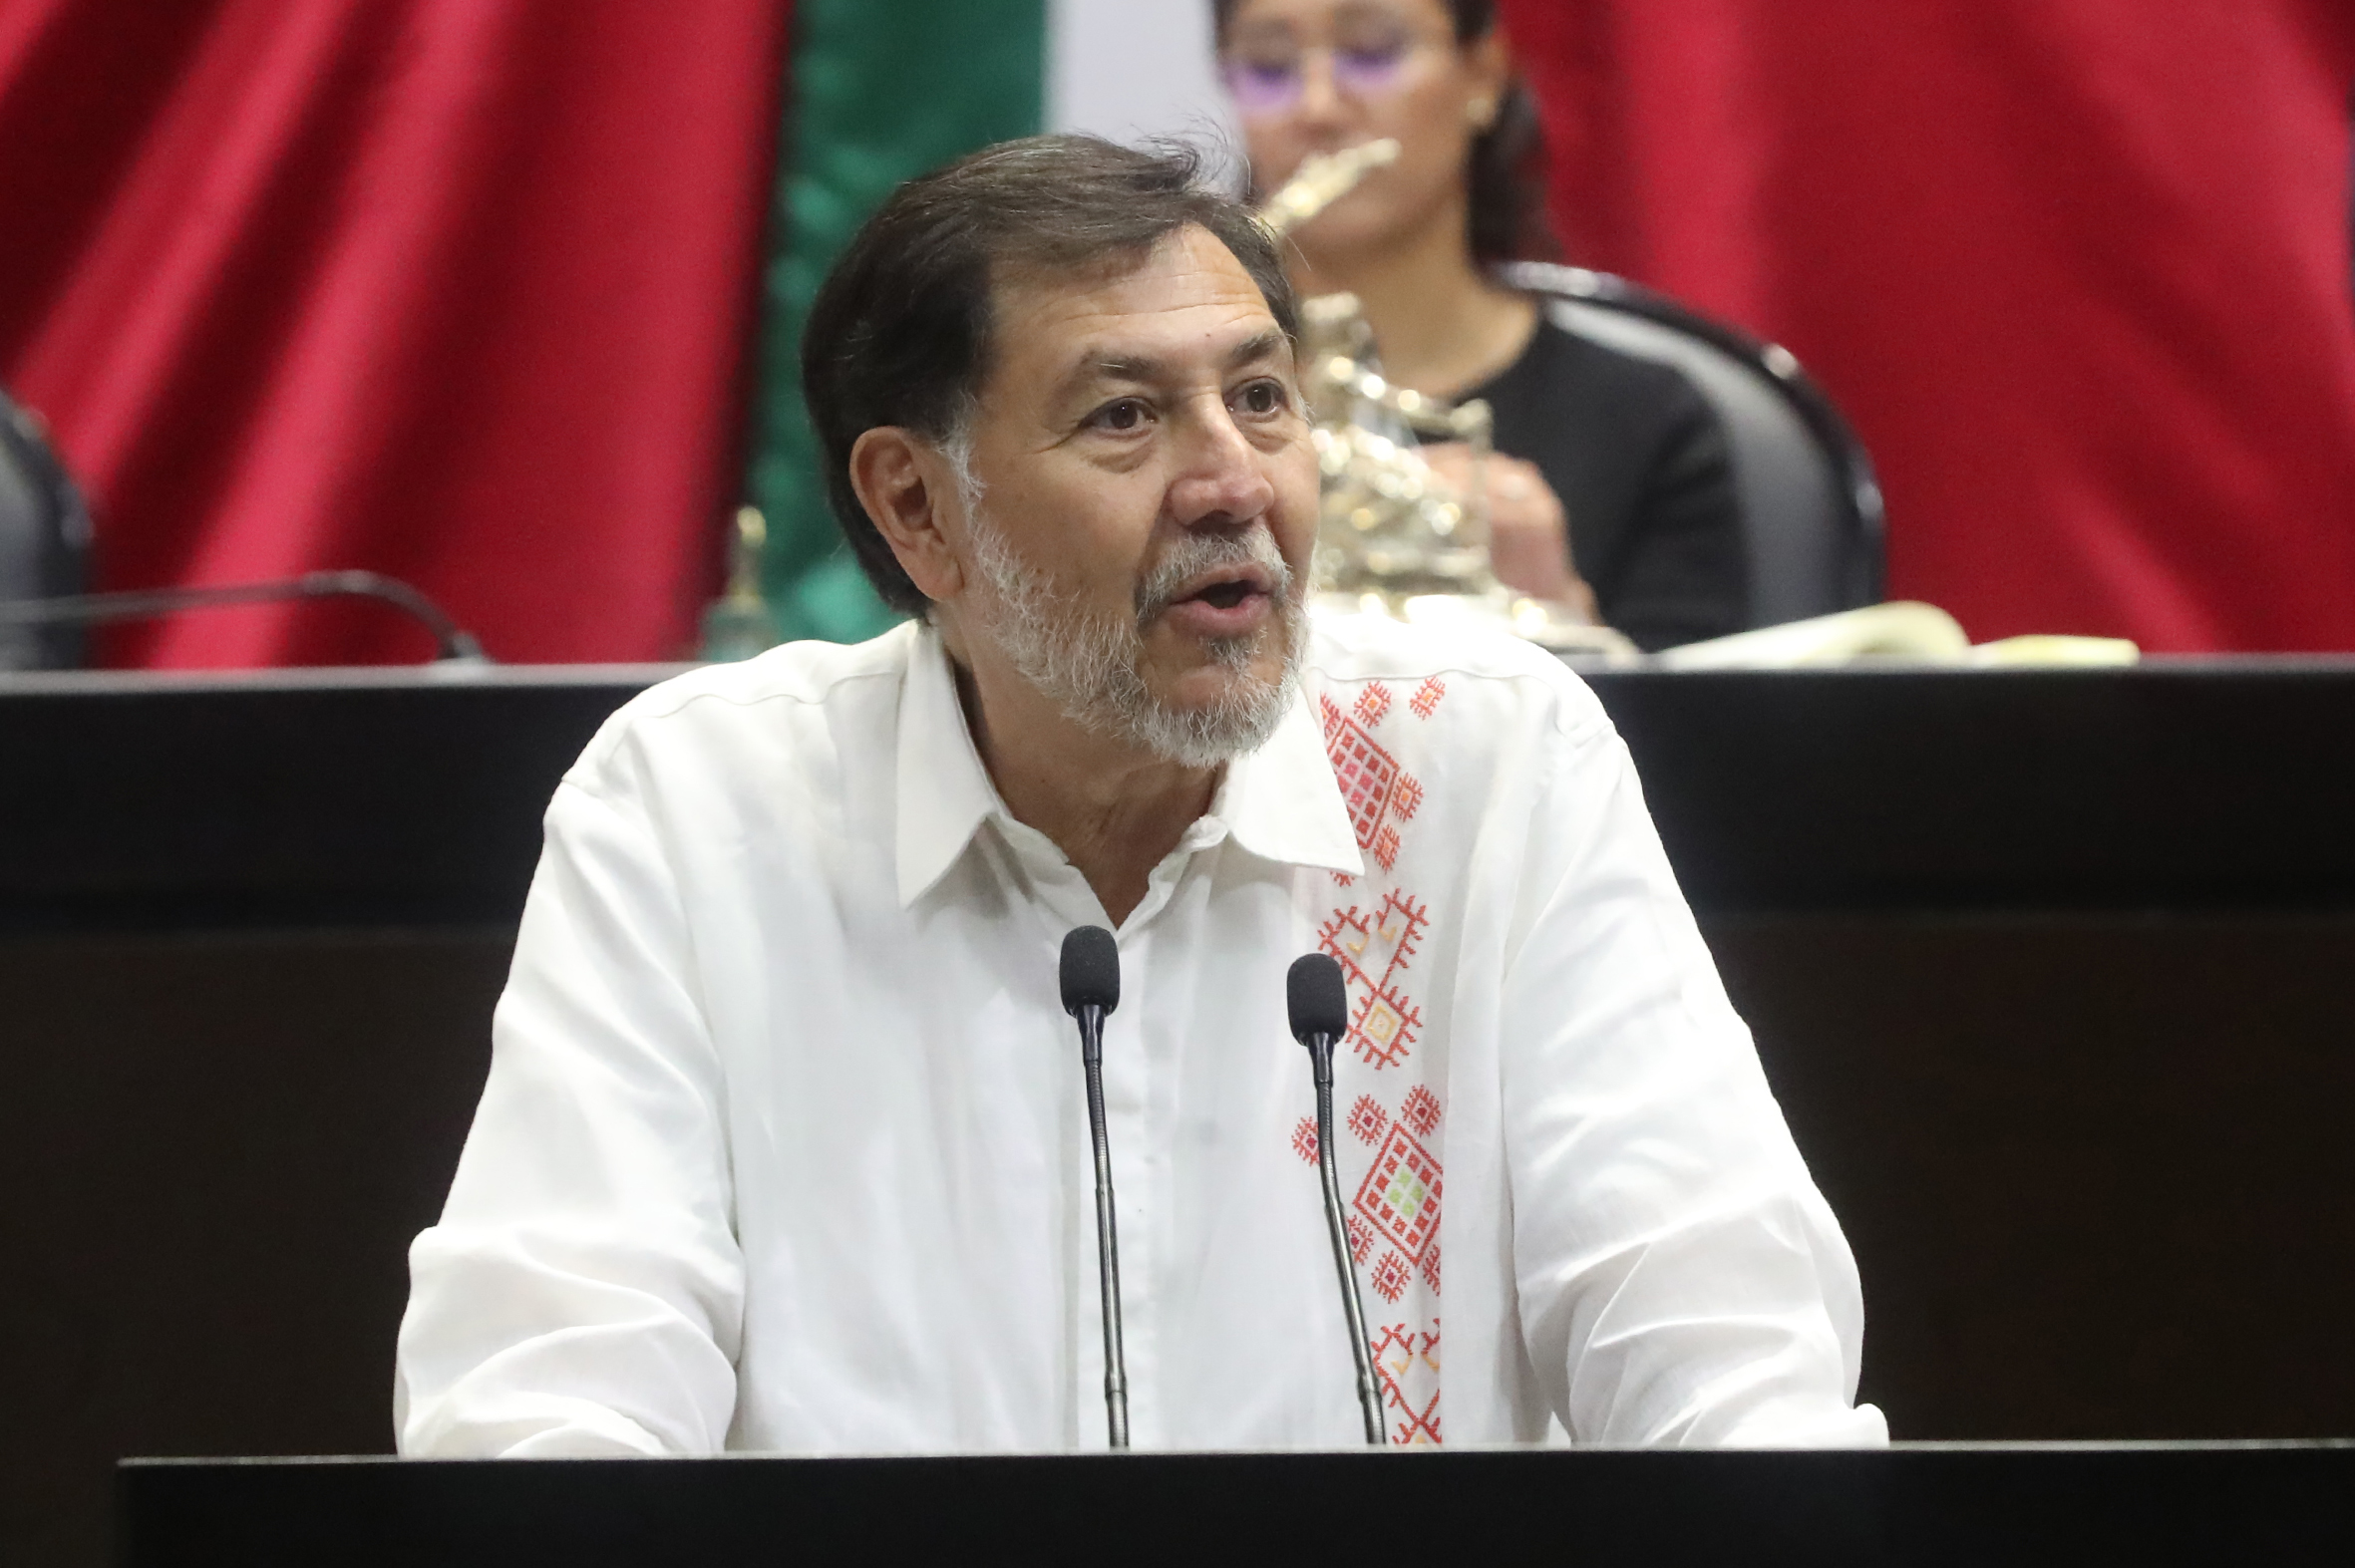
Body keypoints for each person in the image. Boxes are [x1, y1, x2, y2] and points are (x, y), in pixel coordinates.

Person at [394, 136, 1881, 1454]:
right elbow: (548, 1385)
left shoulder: (1483, 766)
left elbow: (1715, 1337)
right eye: (1124, 417)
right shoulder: (700, 811)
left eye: (1262, 398)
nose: (1234, 482)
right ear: (916, 506)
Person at [1215, 0, 1749, 650]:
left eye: (1372, 51)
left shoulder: (1648, 422)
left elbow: (1694, 714)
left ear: (1483, 74)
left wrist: (1557, 618)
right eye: (1269, 65)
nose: (1318, 107)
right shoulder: (1185, 407)